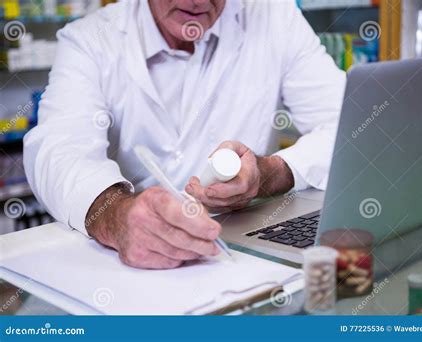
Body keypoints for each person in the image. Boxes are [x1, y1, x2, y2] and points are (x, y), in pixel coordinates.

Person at [23, 0, 346, 269]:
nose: (196, 2)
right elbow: (59, 148)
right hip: (132, 270)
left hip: (244, 259)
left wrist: (270, 172)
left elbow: (348, 127)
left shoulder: (274, 17)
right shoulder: (92, 39)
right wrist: (113, 214)